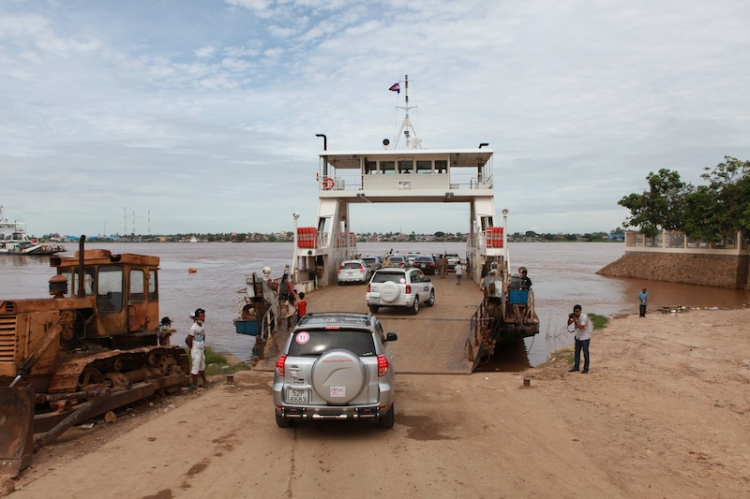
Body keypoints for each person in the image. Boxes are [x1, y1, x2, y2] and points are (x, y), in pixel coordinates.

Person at [186, 308, 209, 391]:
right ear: (197, 318)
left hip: (201, 348)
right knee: (195, 367)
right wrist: (191, 348)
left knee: (202, 366)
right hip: (196, 349)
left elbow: (203, 335)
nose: (203, 318)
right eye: (202, 317)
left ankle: (205, 381)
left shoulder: (202, 325)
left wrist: (204, 345)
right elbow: (189, 338)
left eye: (204, 316)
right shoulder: (194, 328)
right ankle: (195, 386)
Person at [567, 304, 593, 373]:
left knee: (585, 353)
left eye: (577, 311)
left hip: (585, 337)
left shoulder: (584, 317)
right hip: (578, 337)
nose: (576, 313)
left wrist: (575, 320)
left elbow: (581, 327)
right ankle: (576, 367)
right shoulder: (574, 317)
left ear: (580, 311)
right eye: (575, 311)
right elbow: (569, 324)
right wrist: (570, 318)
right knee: (577, 353)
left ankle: (586, 368)